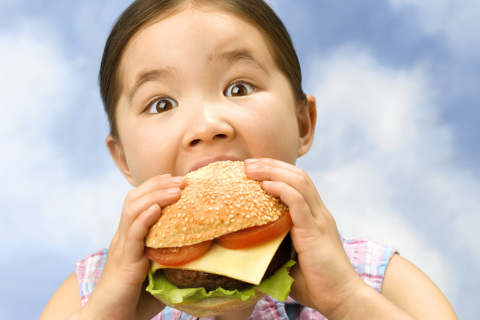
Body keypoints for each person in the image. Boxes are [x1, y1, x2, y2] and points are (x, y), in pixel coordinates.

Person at [40, 0, 458, 319]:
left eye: (238, 88)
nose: (206, 125)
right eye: (161, 103)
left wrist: (348, 301)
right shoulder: (89, 292)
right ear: (124, 160)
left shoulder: (376, 278)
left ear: (303, 123)